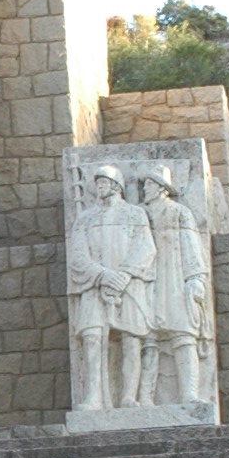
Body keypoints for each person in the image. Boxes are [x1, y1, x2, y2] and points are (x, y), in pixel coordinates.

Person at [67, 167, 157, 409]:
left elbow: (146, 249)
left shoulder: (135, 214)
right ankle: (93, 396)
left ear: (117, 185)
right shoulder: (84, 218)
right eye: (97, 182)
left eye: (104, 181)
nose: (100, 186)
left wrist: (124, 275)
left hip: (129, 284)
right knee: (92, 336)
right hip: (94, 284)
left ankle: (128, 396)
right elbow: (77, 255)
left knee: (131, 339)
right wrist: (102, 275)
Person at [144, 171, 213, 405]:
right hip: (146, 282)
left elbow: (192, 246)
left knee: (184, 337)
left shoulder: (180, 212)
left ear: (162, 188)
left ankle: (189, 394)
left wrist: (196, 278)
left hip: (174, 280)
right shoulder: (139, 215)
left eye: (149, 184)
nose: (145, 188)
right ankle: (144, 398)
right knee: (146, 339)